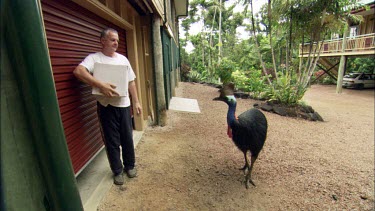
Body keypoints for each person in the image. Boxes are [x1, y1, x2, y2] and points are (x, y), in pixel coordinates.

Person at [73, 28, 142, 185]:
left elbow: (131, 81)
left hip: (124, 105)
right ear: (102, 41)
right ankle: (117, 171)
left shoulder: (123, 59)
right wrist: (100, 85)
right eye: (112, 39)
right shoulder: (94, 58)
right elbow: (78, 71)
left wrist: (137, 101)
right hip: (105, 105)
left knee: (127, 138)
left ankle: (130, 166)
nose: (116, 42)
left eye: (117, 40)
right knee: (111, 141)